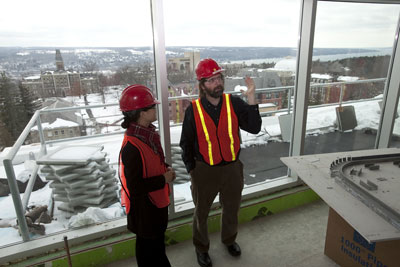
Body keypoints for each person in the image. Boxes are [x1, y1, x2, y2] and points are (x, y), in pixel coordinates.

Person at [180, 58, 262, 267]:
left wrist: (252, 98)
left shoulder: (233, 103)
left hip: (232, 169)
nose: (216, 83)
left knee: (232, 208)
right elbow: (186, 143)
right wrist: (192, 170)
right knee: (201, 213)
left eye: (218, 78)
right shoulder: (193, 110)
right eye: (210, 80)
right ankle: (201, 248)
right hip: (204, 170)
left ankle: (229, 240)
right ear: (202, 85)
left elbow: (254, 127)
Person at [118, 84, 176, 267]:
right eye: (153, 106)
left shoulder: (147, 134)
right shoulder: (131, 147)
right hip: (145, 211)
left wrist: (164, 168)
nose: (156, 109)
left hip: (154, 205)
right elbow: (135, 187)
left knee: (156, 246)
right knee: (148, 251)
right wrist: (163, 179)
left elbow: (153, 160)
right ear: (142, 113)